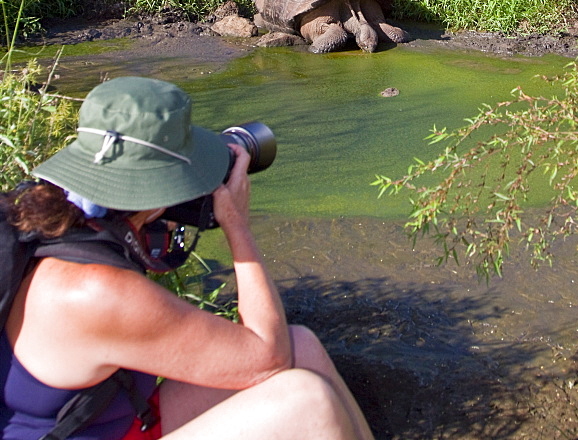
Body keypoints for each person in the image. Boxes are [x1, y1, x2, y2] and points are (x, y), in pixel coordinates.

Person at [1, 76, 375, 440]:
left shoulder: (56, 216)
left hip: (116, 419)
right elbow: (267, 359)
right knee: (307, 402)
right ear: (156, 183)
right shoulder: (97, 291)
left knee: (302, 347)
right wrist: (236, 225)